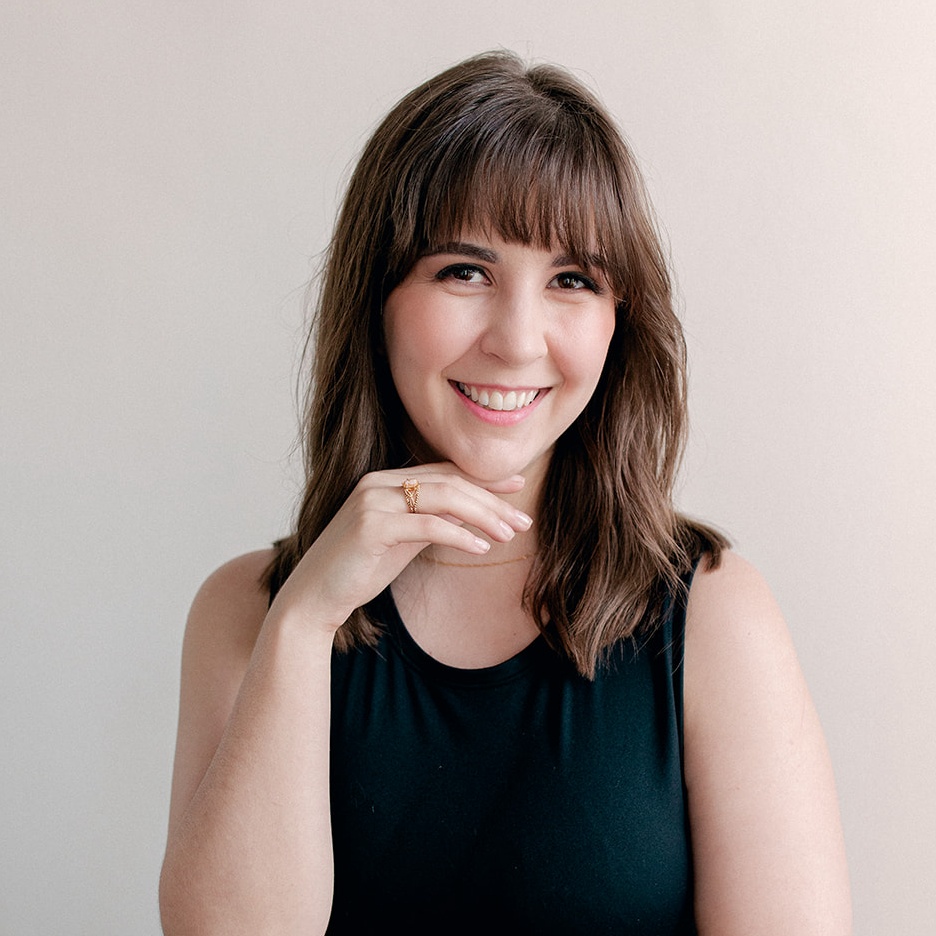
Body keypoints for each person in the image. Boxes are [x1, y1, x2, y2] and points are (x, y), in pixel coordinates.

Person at [158, 51, 852, 935]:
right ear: (378, 298)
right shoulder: (248, 612)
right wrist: (304, 622)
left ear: (618, 322)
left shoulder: (711, 614)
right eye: (464, 272)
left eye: (572, 280)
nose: (519, 341)